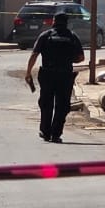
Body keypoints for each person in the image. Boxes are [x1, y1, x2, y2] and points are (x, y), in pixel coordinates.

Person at [24, 9, 85, 143]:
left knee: (46, 103)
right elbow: (81, 57)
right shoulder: (72, 36)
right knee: (62, 105)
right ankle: (56, 134)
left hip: (47, 74)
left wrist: (28, 72)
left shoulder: (45, 35)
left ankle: (45, 132)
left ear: (53, 21)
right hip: (65, 75)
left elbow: (34, 55)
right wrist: (69, 59)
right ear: (66, 23)